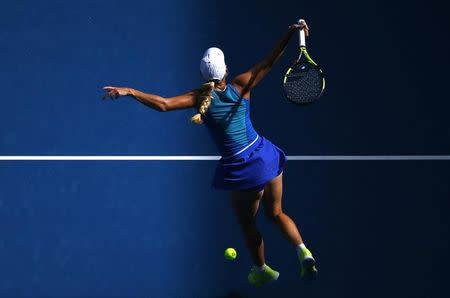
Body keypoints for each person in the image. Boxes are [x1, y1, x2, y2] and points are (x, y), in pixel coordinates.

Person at [103, 19, 318, 286]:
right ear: (226, 69)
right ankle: (303, 251)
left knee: (248, 223)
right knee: (275, 213)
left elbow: (164, 104)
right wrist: (290, 32)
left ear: (202, 75)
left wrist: (130, 91)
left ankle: (262, 269)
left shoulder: (197, 98)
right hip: (266, 156)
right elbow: (269, 61)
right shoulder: (241, 85)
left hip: (245, 172)